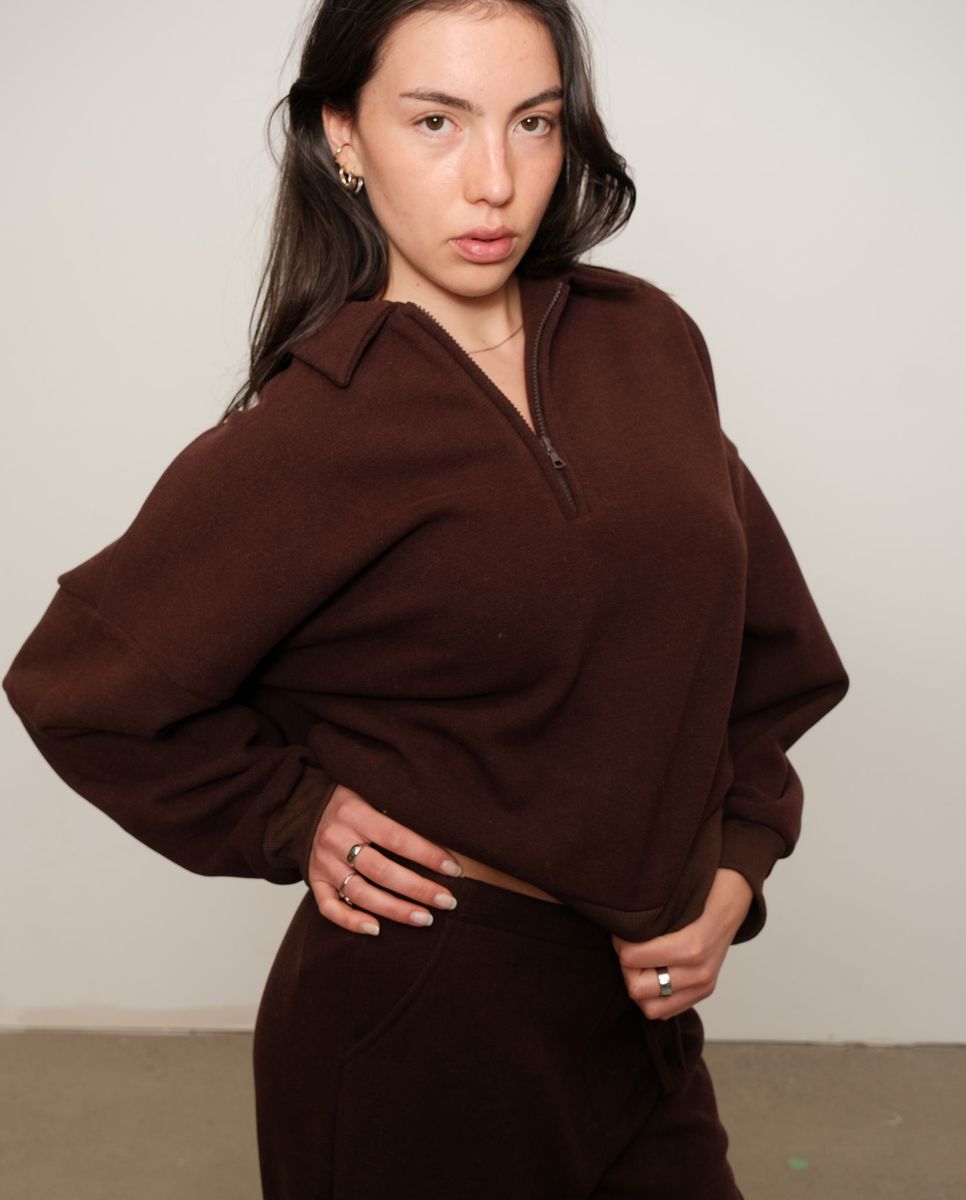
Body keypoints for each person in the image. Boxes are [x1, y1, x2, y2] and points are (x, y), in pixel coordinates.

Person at [2, 1, 850, 1197]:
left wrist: (736, 869)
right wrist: (293, 814)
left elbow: (767, 657)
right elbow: (74, 689)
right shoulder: (313, 429)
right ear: (343, 135)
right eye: (437, 122)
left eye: (533, 122)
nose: (495, 180)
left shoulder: (645, 343)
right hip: (421, 1022)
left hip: (638, 1027)